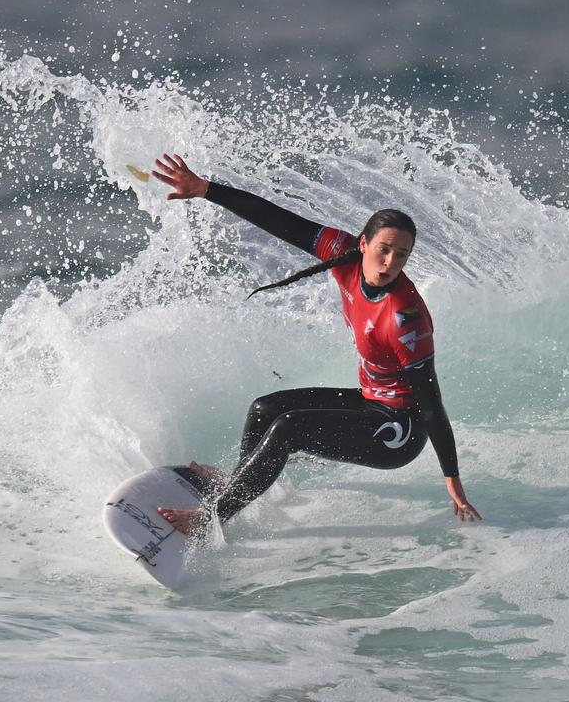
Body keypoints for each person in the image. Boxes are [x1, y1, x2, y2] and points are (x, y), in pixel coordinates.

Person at [150, 153, 482, 534]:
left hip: (398, 432)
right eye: (383, 249)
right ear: (363, 245)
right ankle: (237, 486)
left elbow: (431, 404)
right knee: (265, 408)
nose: (390, 262)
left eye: (402, 255)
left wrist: (453, 483)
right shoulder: (342, 256)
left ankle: (213, 518)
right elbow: (281, 222)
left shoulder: (405, 318)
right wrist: (207, 190)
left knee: (290, 428)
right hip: (371, 401)